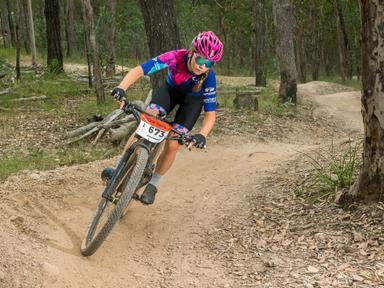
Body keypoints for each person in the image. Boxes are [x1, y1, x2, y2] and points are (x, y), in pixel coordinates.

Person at [103, 31, 224, 205]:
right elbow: (140, 70)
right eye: (200, 60)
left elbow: (211, 114)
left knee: (174, 143)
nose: (202, 66)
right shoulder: (176, 57)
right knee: (148, 120)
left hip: (192, 102)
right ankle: (119, 168)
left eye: (209, 63)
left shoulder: (208, 78)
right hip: (170, 92)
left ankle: (153, 185)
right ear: (192, 52)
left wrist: (202, 135)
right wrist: (121, 87)